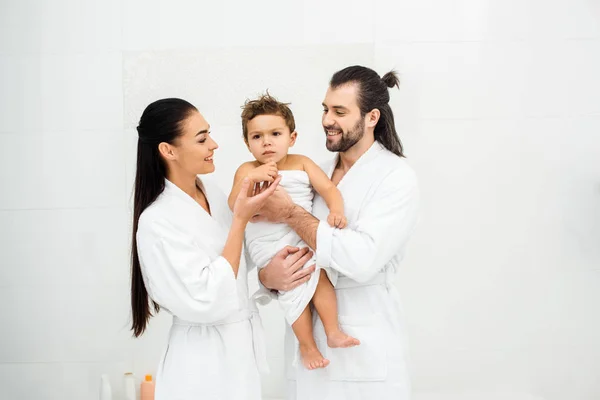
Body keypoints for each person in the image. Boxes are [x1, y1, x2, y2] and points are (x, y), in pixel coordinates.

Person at [129, 98, 311, 399]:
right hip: (200, 368)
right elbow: (207, 298)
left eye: (209, 134)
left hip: (239, 358)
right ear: (168, 150)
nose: (214, 144)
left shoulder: (211, 193)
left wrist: (267, 277)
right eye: (202, 139)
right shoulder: (157, 222)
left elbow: (236, 262)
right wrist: (240, 218)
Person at [256, 66, 420, 399]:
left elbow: (362, 259)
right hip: (307, 342)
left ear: (372, 117)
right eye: (325, 109)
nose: (327, 119)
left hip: (362, 346)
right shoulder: (313, 169)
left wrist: (290, 212)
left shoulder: (395, 177)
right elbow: (278, 241)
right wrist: (267, 278)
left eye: (340, 112)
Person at [228, 93, 360, 371]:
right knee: (293, 290)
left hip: (300, 235)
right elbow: (235, 207)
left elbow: (328, 189)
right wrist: (251, 181)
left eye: (275, 133)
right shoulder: (246, 170)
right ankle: (307, 345)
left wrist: (336, 210)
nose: (266, 142)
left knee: (318, 275)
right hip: (268, 243)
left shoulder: (302, 163)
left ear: (292, 137)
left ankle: (332, 331)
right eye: (257, 136)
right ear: (246, 142)